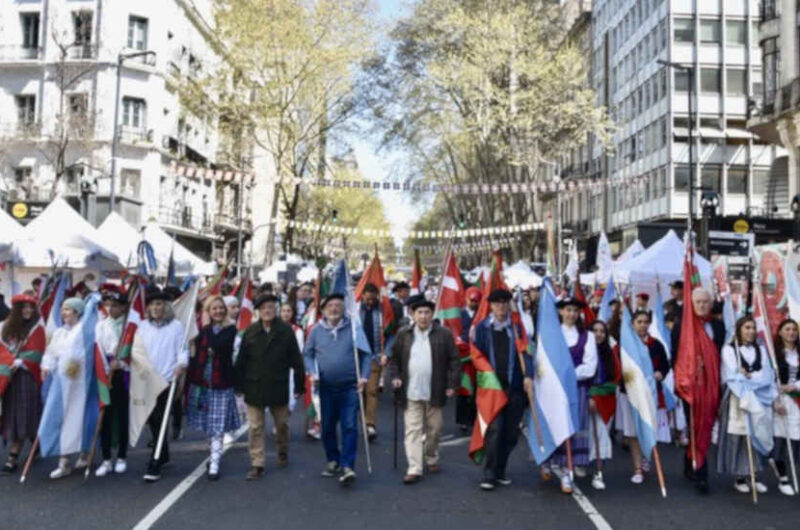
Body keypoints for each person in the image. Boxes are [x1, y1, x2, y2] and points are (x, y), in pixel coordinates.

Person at [304, 293, 372, 485]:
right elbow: (307, 355)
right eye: (330, 305)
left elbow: (366, 355)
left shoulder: (353, 329)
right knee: (327, 427)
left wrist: (364, 376)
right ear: (324, 310)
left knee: (350, 426)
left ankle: (348, 465)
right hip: (325, 387)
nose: (334, 309)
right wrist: (312, 372)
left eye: (338, 305)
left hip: (350, 387)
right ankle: (333, 459)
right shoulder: (316, 331)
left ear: (344, 308)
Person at [234, 293, 305, 480]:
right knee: (255, 427)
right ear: (258, 311)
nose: (267, 311)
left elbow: (296, 360)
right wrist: (238, 384)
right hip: (254, 386)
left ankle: (283, 450)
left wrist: (299, 385)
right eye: (264, 308)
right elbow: (241, 360)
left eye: (271, 308)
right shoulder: (250, 332)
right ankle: (257, 463)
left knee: (282, 424)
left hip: (277, 385)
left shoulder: (285, 331)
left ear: (276, 310)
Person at [390, 294, 459, 484]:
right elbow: (394, 359)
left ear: (432, 314)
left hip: (435, 391)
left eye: (427, 312)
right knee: (412, 430)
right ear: (413, 314)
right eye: (419, 312)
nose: (423, 316)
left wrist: (452, 384)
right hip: (410, 391)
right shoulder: (404, 334)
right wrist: (395, 377)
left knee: (435, 430)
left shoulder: (443, 334)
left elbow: (454, 360)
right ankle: (414, 468)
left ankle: (430, 456)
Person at [473, 289, 534, 491]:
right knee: (495, 430)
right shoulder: (482, 329)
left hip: (514, 388)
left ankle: (501, 469)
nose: (500, 307)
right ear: (490, 306)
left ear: (509, 305)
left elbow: (527, 354)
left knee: (510, 433)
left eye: (504, 303)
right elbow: (476, 355)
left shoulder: (517, 328)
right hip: (492, 390)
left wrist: (528, 376)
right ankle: (489, 473)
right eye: (496, 303)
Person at [670, 287, 725, 493]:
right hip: (690, 388)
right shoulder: (682, 327)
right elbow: (675, 357)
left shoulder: (718, 326)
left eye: (705, 302)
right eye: (698, 302)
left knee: (706, 426)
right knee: (694, 426)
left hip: (711, 385)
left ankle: (690, 460)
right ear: (691, 305)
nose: (702, 305)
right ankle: (702, 475)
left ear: (710, 304)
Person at [542, 297, 598, 494]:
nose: (572, 314)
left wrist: (567, 375)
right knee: (553, 425)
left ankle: (567, 471)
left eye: (575, 310)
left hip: (576, 389)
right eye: (568, 310)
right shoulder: (551, 334)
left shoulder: (587, 336)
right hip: (553, 390)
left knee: (573, 429)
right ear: (560, 312)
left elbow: (590, 366)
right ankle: (548, 461)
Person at [717, 316, 777, 494]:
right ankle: (740, 476)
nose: (751, 331)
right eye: (746, 328)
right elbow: (732, 375)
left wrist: (748, 376)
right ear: (739, 329)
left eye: (752, 328)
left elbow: (766, 374)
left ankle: (755, 474)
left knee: (758, 432)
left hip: (759, 396)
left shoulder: (761, 349)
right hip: (738, 397)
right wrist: (748, 376)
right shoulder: (729, 349)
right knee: (741, 435)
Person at [186, 296, 241, 480]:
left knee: (217, 426)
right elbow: (195, 352)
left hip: (221, 382)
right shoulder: (203, 331)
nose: (218, 311)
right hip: (203, 382)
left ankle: (215, 463)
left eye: (220, 308)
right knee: (209, 425)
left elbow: (218, 344)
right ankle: (214, 454)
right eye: (214, 309)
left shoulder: (230, 329)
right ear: (208, 312)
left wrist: (205, 333)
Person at [137, 287, 188, 483]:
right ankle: (163, 452)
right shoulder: (143, 327)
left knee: (160, 417)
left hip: (167, 378)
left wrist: (181, 364)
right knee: (152, 418)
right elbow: (138, 350)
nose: (155, 308)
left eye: (159, 304)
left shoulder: (175, 326)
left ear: (165, 306)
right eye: (152, 305)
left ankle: (155, 460)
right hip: (147, 378)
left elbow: (182, 349)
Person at [616, 310, 670, 485]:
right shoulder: (624, 345)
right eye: (639, 322)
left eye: (646, 322)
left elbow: (665, 365)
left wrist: (660, 373)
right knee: (632, 432)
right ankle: (637, 467)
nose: (643, 325)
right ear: (632, 324)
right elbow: (617, 367)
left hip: (650, 394)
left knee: (648, 427)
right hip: (630, 394)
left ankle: (646, 455)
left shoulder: (656, 345)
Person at [41, 297, 90, 479]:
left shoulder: (85, 330)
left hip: (81, 385)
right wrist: (46, 366)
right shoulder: (60, 333)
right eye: (63, 309)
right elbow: (51, 353)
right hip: (61, 384)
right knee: (61, 420)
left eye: (68, 309)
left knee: (80, 419)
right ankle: (64, 462)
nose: (64, 313)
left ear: (77, 312)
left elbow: (90, 354)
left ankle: (85, 454)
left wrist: (76, 365)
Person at [0, 294, 44, 474]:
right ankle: (37, 444)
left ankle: (13, 455)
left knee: (26, 412)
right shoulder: (6, 328)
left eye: (31, 307)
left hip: (28, 377)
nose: (28, 310)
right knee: (14, 412)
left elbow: (38, 352)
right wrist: (8, 361)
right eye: (24, 307)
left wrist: (21, 361)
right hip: (10, 376)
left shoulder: (37, 328)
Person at [94, 287, 129, 477]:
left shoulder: (130, 327)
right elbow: (98, 349)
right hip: (105, 373)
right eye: (108, 305)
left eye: (115, 305)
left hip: (123, 374)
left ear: (123, 307)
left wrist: (122, 363)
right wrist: (105, 368)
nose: (111, 309)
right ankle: (106, 459)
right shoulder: (100, 325)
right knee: (105, 418)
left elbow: (136, 351)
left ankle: (122, 456)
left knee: (122, 415)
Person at [587, 320, 619, 490]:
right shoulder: (583, 351)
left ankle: (598, 472)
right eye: (595, 330)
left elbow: (616, 378)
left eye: (602, 331)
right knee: (587, 436)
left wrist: (597, 395)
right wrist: (589, 395)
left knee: (602, 437)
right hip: (586, 400)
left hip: (606, 400)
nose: (598, 334)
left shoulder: (611, 354)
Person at [772, 319, 800, 496]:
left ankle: (788, 468)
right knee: (780, 439)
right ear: (780, 332)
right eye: (787, 329)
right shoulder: (773, 354)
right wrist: (775, 399)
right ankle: (783, 477)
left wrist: (796, 385)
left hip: (797, 399)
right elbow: (768, 378)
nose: (791, 332)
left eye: (794, 330)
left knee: (796, 438)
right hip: (780, 399)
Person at [360, 283, 385, 441]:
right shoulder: (355, 310)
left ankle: (370, 424)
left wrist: (386, 353)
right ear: (362, 296)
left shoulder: (383, 311)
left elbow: (390, 332)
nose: (370, 302)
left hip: (374, 356)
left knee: (372, 391)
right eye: (367, 299)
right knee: (360, 392)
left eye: (373, 299)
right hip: (357, 356)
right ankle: (361, 421)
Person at [456, 287, 481, 432]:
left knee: (477, 389)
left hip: (477, 357)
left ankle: (474, 418)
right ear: (466, 299)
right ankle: (462, 420)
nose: (474, 303)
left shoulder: (482, 315)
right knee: (463, 389)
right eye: (472, 300)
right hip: (463, 358)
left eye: (476, 301)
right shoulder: (459, 315)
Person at [280, 302, 305, 413]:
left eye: (288, 311)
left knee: (289, 399)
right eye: (283, 311)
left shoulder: (298, 331)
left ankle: (284, 423)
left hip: (290, 369)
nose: (286, 313)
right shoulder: (273, 329)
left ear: (292, 313)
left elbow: (298, 351)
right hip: (275, 368)